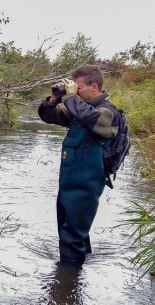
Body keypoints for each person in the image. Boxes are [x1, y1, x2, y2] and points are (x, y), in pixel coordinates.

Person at [38, 64, 122, 267]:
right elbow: (49, 117)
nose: (73, 91)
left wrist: (70, 98)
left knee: (72, 236)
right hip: (68, 182)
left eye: (78, 87)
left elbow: (91, 119)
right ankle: (78, 273)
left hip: (86, 184)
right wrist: (53, 100)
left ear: (94, 86)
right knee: (69, 230)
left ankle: (68, 282)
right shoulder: (80, 110)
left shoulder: (108, 112)